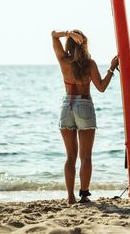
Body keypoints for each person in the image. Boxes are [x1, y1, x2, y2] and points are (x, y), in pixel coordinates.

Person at [51, 29, 118, 204]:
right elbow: (101, 87)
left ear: (69, 44)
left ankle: (70, 197)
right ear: (84, 43)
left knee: (70, 157)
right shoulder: (90, 64)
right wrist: (112, 67)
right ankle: (84, 195)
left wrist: (66, 33)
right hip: (84, 105)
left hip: (67, 106)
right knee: (85, 156)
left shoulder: (63, 61)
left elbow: (53, 35)